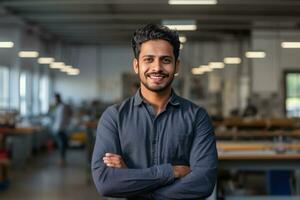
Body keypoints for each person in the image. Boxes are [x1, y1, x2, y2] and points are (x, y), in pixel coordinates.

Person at [92, 24, 218, 199]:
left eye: (165, 60)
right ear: (136, 65)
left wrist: (132, 181)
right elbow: (107, 182)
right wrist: (170, 172)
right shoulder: (114, 117)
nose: (157, 68)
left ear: (177, 66)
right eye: (148, 59)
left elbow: (204, 181)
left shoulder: (197, 117)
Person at [52, 93, 72, 166]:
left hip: (60, 128)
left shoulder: (62, 106)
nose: (54, 101)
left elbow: (69, 113)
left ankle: (62, 159)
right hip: (58, 129)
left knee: (63, 144)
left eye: (54, 99)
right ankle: (62, 159)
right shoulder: (59, 106)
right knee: (62, 144)